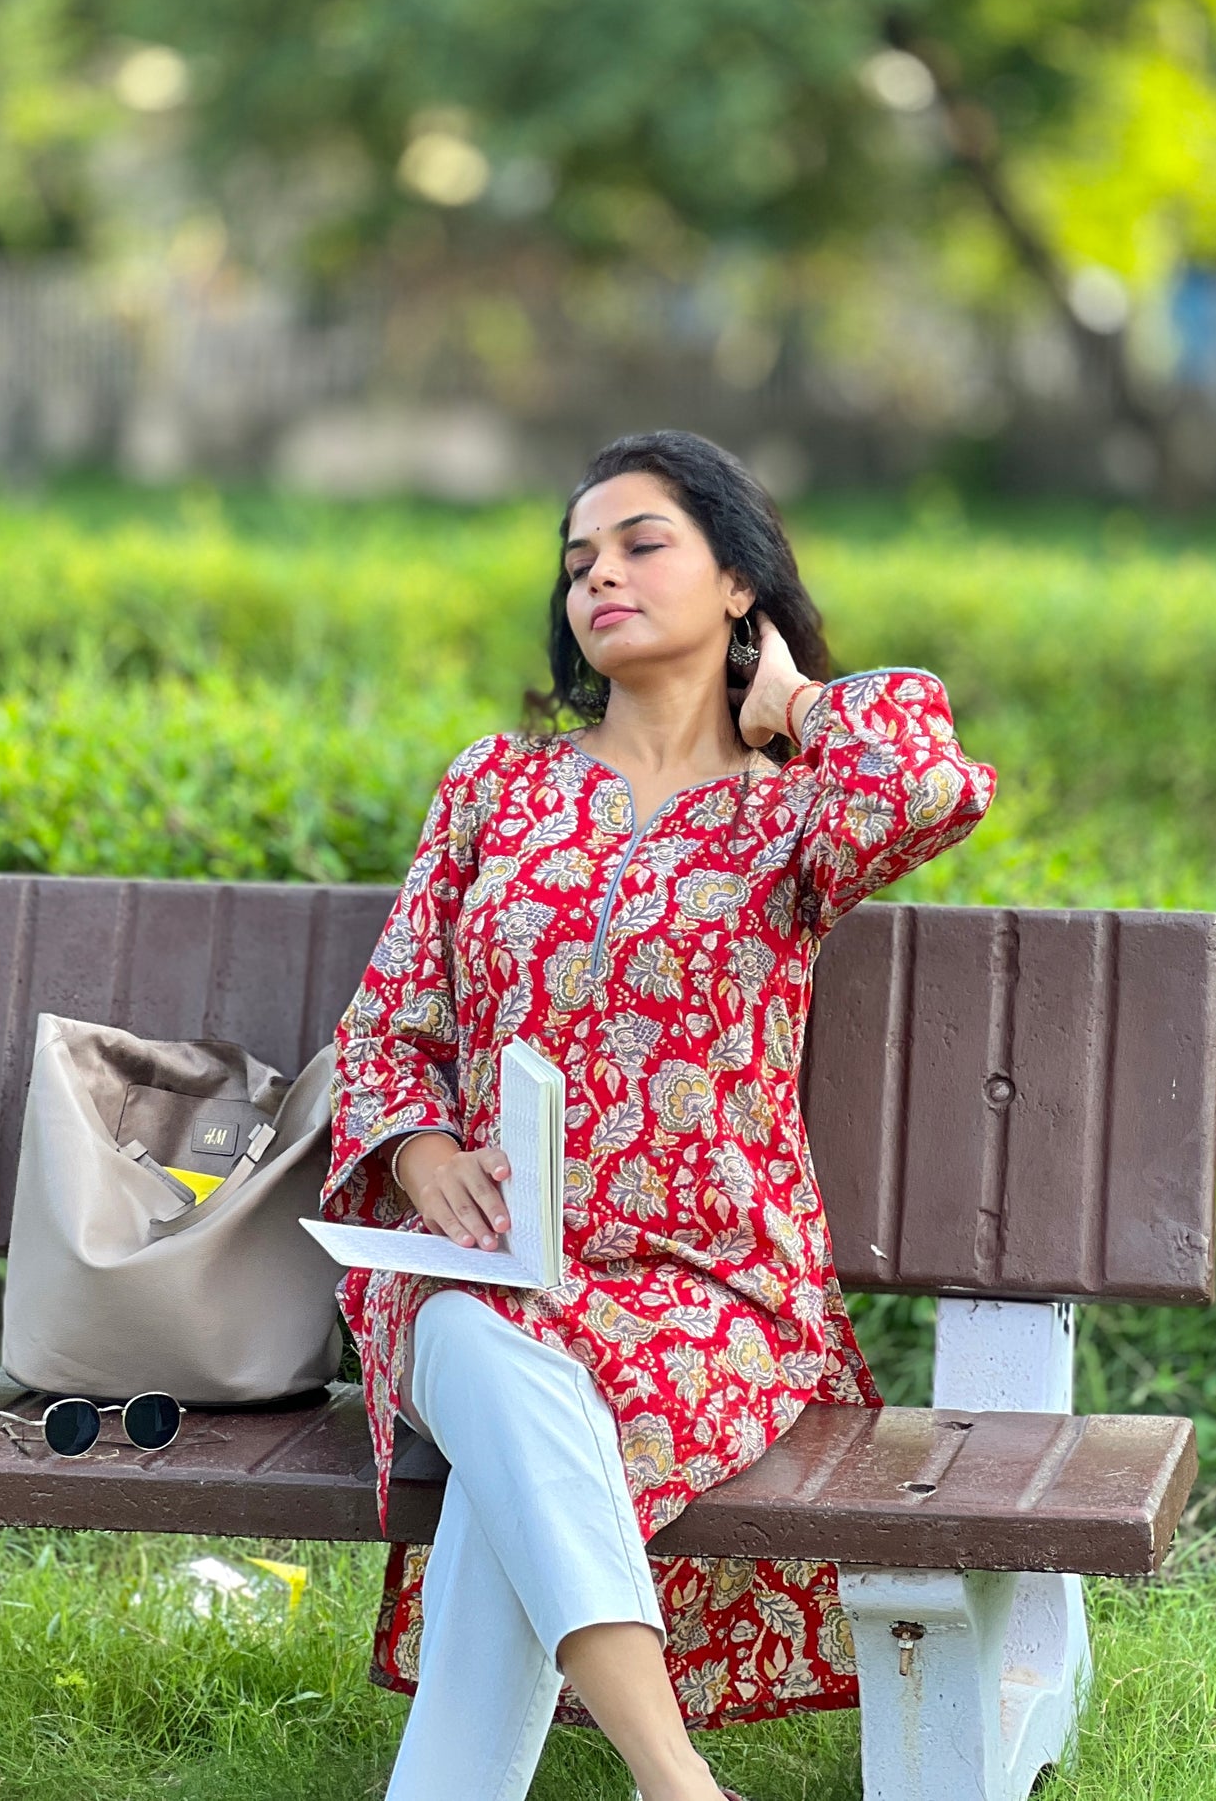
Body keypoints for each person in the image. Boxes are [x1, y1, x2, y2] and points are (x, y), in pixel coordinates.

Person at [320, 429, 997, 1801]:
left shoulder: (790, 817)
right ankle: (675, 1779)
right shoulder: (496, 789)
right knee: (483, 1339)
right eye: (578, 562)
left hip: (709, 1293)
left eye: (641, 544)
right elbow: (388, 1021)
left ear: (738, 577)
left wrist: (797, 706)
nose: (598, 579)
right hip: (482, 1269)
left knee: (506, 1491)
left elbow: (925, 787)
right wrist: (421, 1144)